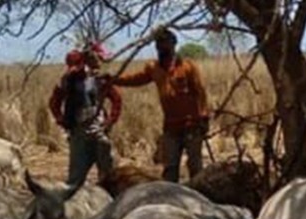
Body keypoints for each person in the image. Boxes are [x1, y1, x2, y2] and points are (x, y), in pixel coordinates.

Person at [113, 28, 209, 182]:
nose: (162, 47)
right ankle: (169, 200)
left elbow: (201, 91)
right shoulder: (153, 68)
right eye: (159, 44)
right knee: (170, 167)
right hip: (171, 127)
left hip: (192, 124)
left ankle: (200, 199)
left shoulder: (188, 66)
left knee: (195, 165)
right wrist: (114, 79)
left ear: (174, 44)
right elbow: (135, 79)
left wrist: (204, 117)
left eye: (165, 43)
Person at [49, 42, 122, 190]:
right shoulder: (67, 80)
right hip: (78, 131)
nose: (99, 63)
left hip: (98, 128)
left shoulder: (99, 79)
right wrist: (62, 120)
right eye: (96, 59)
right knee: (75, 177)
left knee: (108, 171)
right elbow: (54, 102)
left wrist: (109, 121)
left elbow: (116, 99)